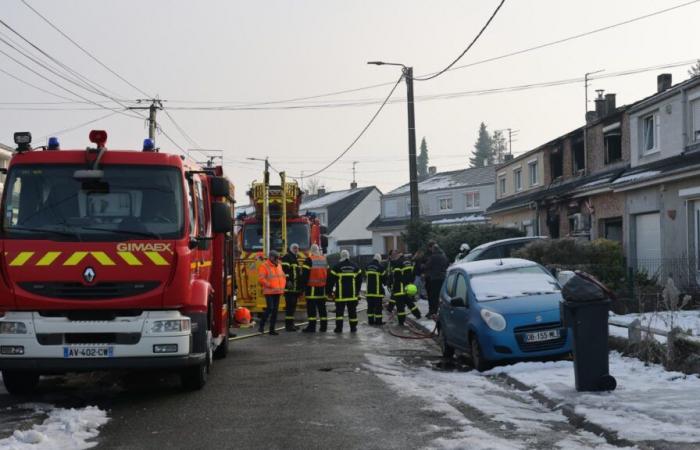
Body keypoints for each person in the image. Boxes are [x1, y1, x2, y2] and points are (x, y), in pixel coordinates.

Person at [327, 250, 363, 333]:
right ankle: (353, 328)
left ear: (341, 256)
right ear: (348, 256)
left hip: (340, 295)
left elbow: (330, 281)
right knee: (352, 312)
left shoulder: (336, 267)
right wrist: (357, 292)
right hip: (352, 295)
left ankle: (339, 329)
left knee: (339, 312)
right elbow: (359, 281)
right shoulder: (355, 267)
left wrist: (329, 292)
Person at [301, 244, 329, 333]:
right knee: (322, 309)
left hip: (312, 289)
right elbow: (329, 274)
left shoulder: (309, 260)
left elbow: (304, 276)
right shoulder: (324, 260)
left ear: (311, 251)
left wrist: (302, 288)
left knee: (312, 310)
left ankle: (312, 327)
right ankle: (323, 327)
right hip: (322, 289)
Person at [257, 250, 286, 336]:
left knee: (275, 311)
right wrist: (270, 285)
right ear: (271, 257)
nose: (278, 260)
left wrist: (282, 286)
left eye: (278, 258)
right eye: (276, 258)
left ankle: (272, 330)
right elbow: (261, 279)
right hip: (269, 292)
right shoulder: (264, 266)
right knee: (270, 308)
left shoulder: (279, 265)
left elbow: (283, 277)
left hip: (277, 291)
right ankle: (261, 327)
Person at [389, 250, 421, 326]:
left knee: (400, 307)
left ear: (397, 255)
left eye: (394, 256)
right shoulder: (408, 261)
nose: (393, 257)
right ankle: (418, 314)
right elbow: (413, 273)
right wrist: (409, 283)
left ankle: (401, 322)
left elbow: (396, 276)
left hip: (399, 288)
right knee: (410, 303)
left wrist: (392, 283)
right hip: (408, 287)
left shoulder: (397, 263)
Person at [281, 243, 304, 332]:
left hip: (295, 289)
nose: (296, 249)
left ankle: (291, 324)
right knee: (290, 307)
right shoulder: (287, 257)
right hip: (289, 288)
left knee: (293, 307)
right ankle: (288, 325)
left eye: (297, 248)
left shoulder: (295, 258)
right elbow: (284, 270)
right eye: (294, 248)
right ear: (290, 249)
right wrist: (288, 281)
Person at [424, 243, 449, 318]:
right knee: (440, 296)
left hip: (434, 278)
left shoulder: (433, 257)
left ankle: (432, 312)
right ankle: (440, 311)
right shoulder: (443, 256)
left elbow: (427, 266)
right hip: (442, 278)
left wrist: (423, 266)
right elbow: (447, 264)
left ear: (434, 249)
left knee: (433, 296)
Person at [364, 253, 387, 326]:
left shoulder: (367, 266)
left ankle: (370, 321)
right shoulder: (380, 267)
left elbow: (366, 276)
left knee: (370, 307)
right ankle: (378, 321)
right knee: (378, 307)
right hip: (377, 292)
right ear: (379, 259)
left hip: (369, 291)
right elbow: (384, 279)